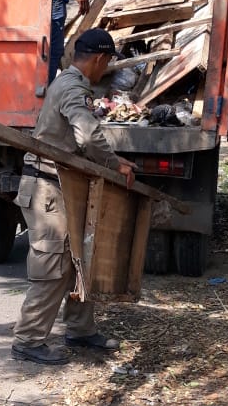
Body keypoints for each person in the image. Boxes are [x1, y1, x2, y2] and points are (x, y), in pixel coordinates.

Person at [12, 29, 137, 365]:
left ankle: (80, 330)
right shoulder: (72, 87)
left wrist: (114, 160)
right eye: (107, 62)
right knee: (52, 264)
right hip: (47, 187)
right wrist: (114, 164)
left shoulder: (70, 83)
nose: (105, 69)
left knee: (80, 256)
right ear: (99, 59)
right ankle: (28, 340)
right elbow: (88, 137)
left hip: (63, 184)